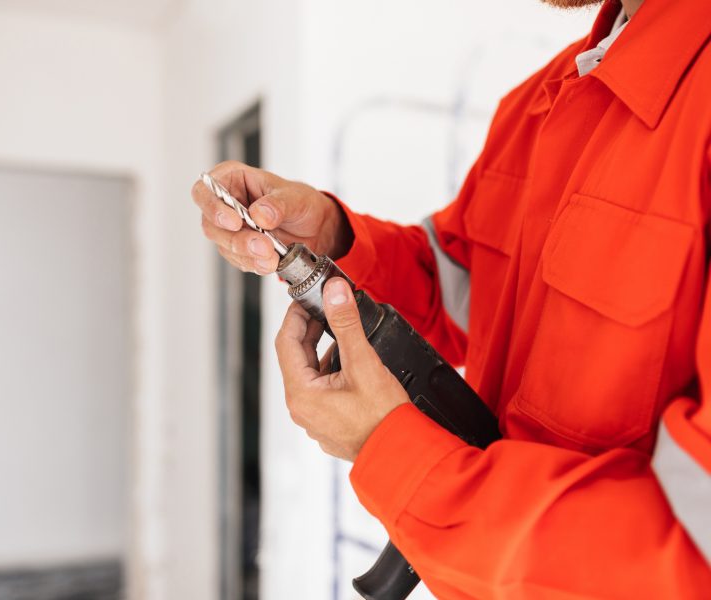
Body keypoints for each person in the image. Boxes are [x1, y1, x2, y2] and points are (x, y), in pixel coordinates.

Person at [192, 0, 711, 596]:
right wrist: (333, 237)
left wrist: (393, 454)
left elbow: (690, 556)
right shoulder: (541, 100)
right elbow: (460, 285)